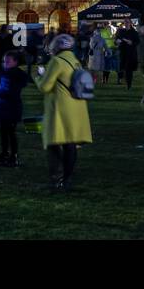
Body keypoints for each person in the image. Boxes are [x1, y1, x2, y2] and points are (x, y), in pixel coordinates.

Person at [33, 34, 92, 191]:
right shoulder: (75, 61)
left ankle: (57, 180)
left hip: (60, 107)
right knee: (70, 144)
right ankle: (67, 179)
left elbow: (45, 87)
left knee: (55, 143)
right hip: (77, 106)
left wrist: (39, 76)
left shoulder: (57, 62)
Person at [0, 50, 29, 167]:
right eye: (4, 62)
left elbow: (13, 92)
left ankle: (13, 157)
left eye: (7, 62)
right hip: (2, 106)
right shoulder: (4, 73)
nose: (5, 64)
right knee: (3, 131)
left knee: (11, 132)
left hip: (12, 108)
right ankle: (4, 154)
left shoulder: (17, 76)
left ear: (15, 62)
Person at [116, 21, 139, 89]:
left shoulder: (134, 32)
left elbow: (137, 41)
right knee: (121, 68)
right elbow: (116, 39)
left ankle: (129, 84)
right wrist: (117, 41)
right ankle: (121, 80)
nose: (126, 24)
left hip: (131, 53)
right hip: (122, 53)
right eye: (125, 22)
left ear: (130, 23)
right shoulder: (121, 31)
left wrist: (131, 42)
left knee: (129, 70)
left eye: (127, 22)